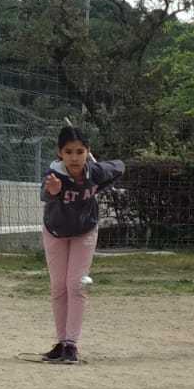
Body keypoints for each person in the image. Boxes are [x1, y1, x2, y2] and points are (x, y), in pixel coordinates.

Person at [39, 126, 123, 365]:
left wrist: (100, 179)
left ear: (88, 151)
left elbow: (120, 167)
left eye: (80, 151)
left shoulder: (95, 171)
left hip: (84, 230)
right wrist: (53, 192)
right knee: (58, 286)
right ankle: (60, 342)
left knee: (76, 285)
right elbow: (44, 194)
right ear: (60, 153)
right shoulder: (54, 175)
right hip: (55, 231)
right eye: (68, 152)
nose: (74, 158)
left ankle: (71, 344)